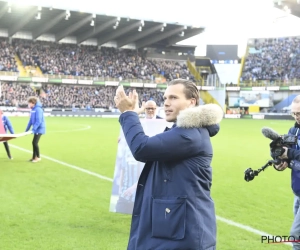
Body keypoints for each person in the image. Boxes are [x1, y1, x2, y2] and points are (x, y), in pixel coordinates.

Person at [114, 79, 223, 250]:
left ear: (191, 102)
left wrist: (128, 114)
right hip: (174, 227)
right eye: (165, 98)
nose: (166, 103)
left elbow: (143, 148)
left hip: (182, 233)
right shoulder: (183, 131)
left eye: (173, 97)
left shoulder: (189, 134)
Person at [275, 95, 300, 250]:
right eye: (294, 113)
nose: (297, 117)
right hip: (297, 192)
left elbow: (290, 153)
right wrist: (280, 160)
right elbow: (283, 150)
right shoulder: (294, 130)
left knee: (295, 235)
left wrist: (288, 155)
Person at [25, 96, 46, 163]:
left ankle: (38, 157)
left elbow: (39, 121)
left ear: (33, 103)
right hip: (36, 129)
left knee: (34, 142)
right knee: (34, 142)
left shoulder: (38, 109)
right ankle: (34, 157)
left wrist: (33, 129)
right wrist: (26, 130)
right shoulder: (33, 110)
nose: (28, 104)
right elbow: (30, 121)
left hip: (39, 128)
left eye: (29, 103)